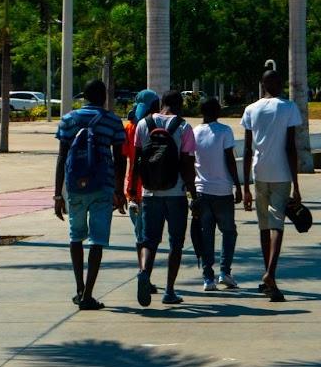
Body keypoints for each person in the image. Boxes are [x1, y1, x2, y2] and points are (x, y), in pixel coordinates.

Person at [53, 79, 128, 311]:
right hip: (102, 187)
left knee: (76, 236)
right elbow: (120, 159)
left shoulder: (68, 120)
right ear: (104, 96)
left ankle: (78, 289)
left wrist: (58, 194)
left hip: (75, 187)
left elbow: (62, 157)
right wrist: (119, 190)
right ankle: (88, 294)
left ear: (83, 96)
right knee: (97, 240)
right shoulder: (113, 121)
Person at [128, 90, 197, 306]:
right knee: (175, 243)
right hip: (175, 193)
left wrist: (133, 189)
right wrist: (193, 193)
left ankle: (144, 274)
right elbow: (186, 164)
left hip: (150, 193)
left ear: (161, 104)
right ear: (180, 106)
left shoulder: (143, 125)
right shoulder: (184, 127)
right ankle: (169, 291)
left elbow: (137, 161)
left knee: (149, 240)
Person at [242, 70, 303, 302]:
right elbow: (290, 147)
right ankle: (270, 273)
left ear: (262, 84)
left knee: (264, 226)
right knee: (277, 224)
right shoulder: (288, 108)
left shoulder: (251, 109)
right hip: (281, 173)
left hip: (259, 173)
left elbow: (247, 149)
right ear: (278, 84)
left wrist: (246, 185)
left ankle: (270, 277)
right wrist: (296, 184)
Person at [191, 97, 243, 292]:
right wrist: (238, 185)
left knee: (206, 234)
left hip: (202, 191)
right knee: (229, 231)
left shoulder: (194, 132)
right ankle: (225, 272)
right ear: (218, 111)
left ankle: (207, 278)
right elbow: (230, 160)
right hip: (223, 191)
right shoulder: (224, 131)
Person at [121, 89, 161, 297]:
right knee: (150, 237)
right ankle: (145, 274)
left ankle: (142, 272)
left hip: (132, 189)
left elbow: (126, 157)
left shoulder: (129, 128)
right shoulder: (155, 126)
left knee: (140, 235)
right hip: (152, 188)